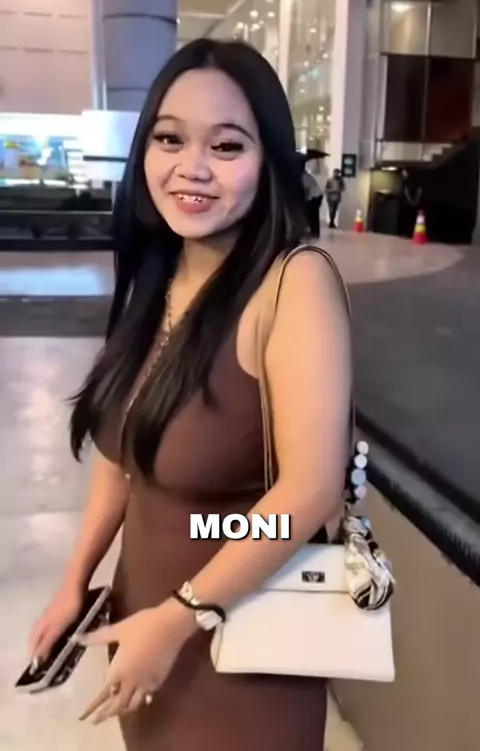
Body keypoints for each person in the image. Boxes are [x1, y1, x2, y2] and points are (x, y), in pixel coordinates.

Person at [28, 39, 352, 751]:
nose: (192, 167)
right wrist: (76, 580)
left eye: (227, 146)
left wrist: (179, 619)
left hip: (244, 653)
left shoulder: (294, 284)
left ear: (270, 162)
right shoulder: (163, 273)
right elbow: (120, 457)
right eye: (170, 139)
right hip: (144, 634)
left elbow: (307, 494)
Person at [300, 153, 323, 238]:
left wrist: (304, 201)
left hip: (315, 197)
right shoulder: (305, 175)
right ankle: (314, 232)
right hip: (316, 196)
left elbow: (307, 190)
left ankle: (313, 232)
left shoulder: (304, 177)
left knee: (311, 214)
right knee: (313, 215)